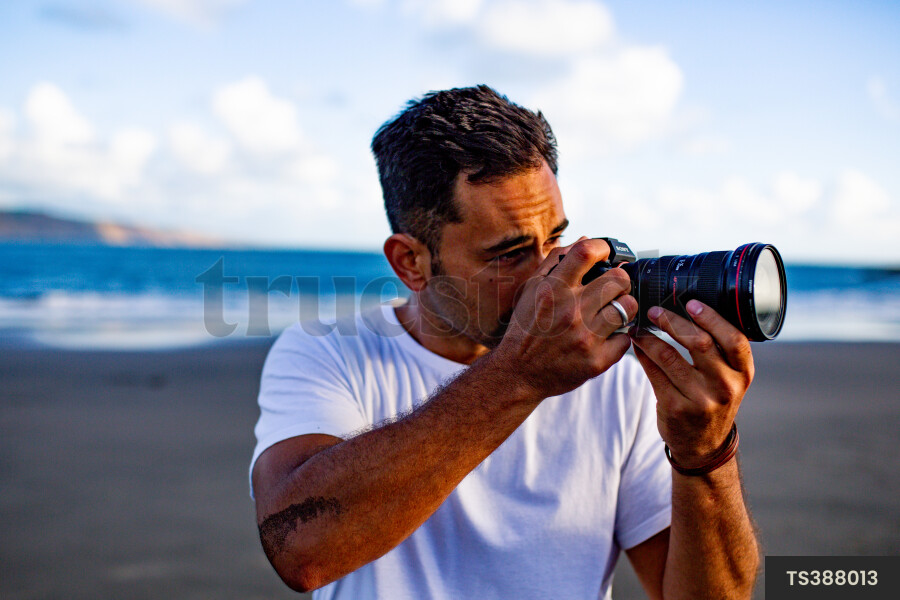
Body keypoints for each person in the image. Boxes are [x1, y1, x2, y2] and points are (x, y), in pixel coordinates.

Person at [250, 85, 759, 599]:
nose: (551, 273)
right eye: (510, 253)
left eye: (556, 239)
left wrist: (705, 452)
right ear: (411, 262)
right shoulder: (329, 354)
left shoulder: (615, 377)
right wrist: (520, 375)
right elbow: (302, 551)